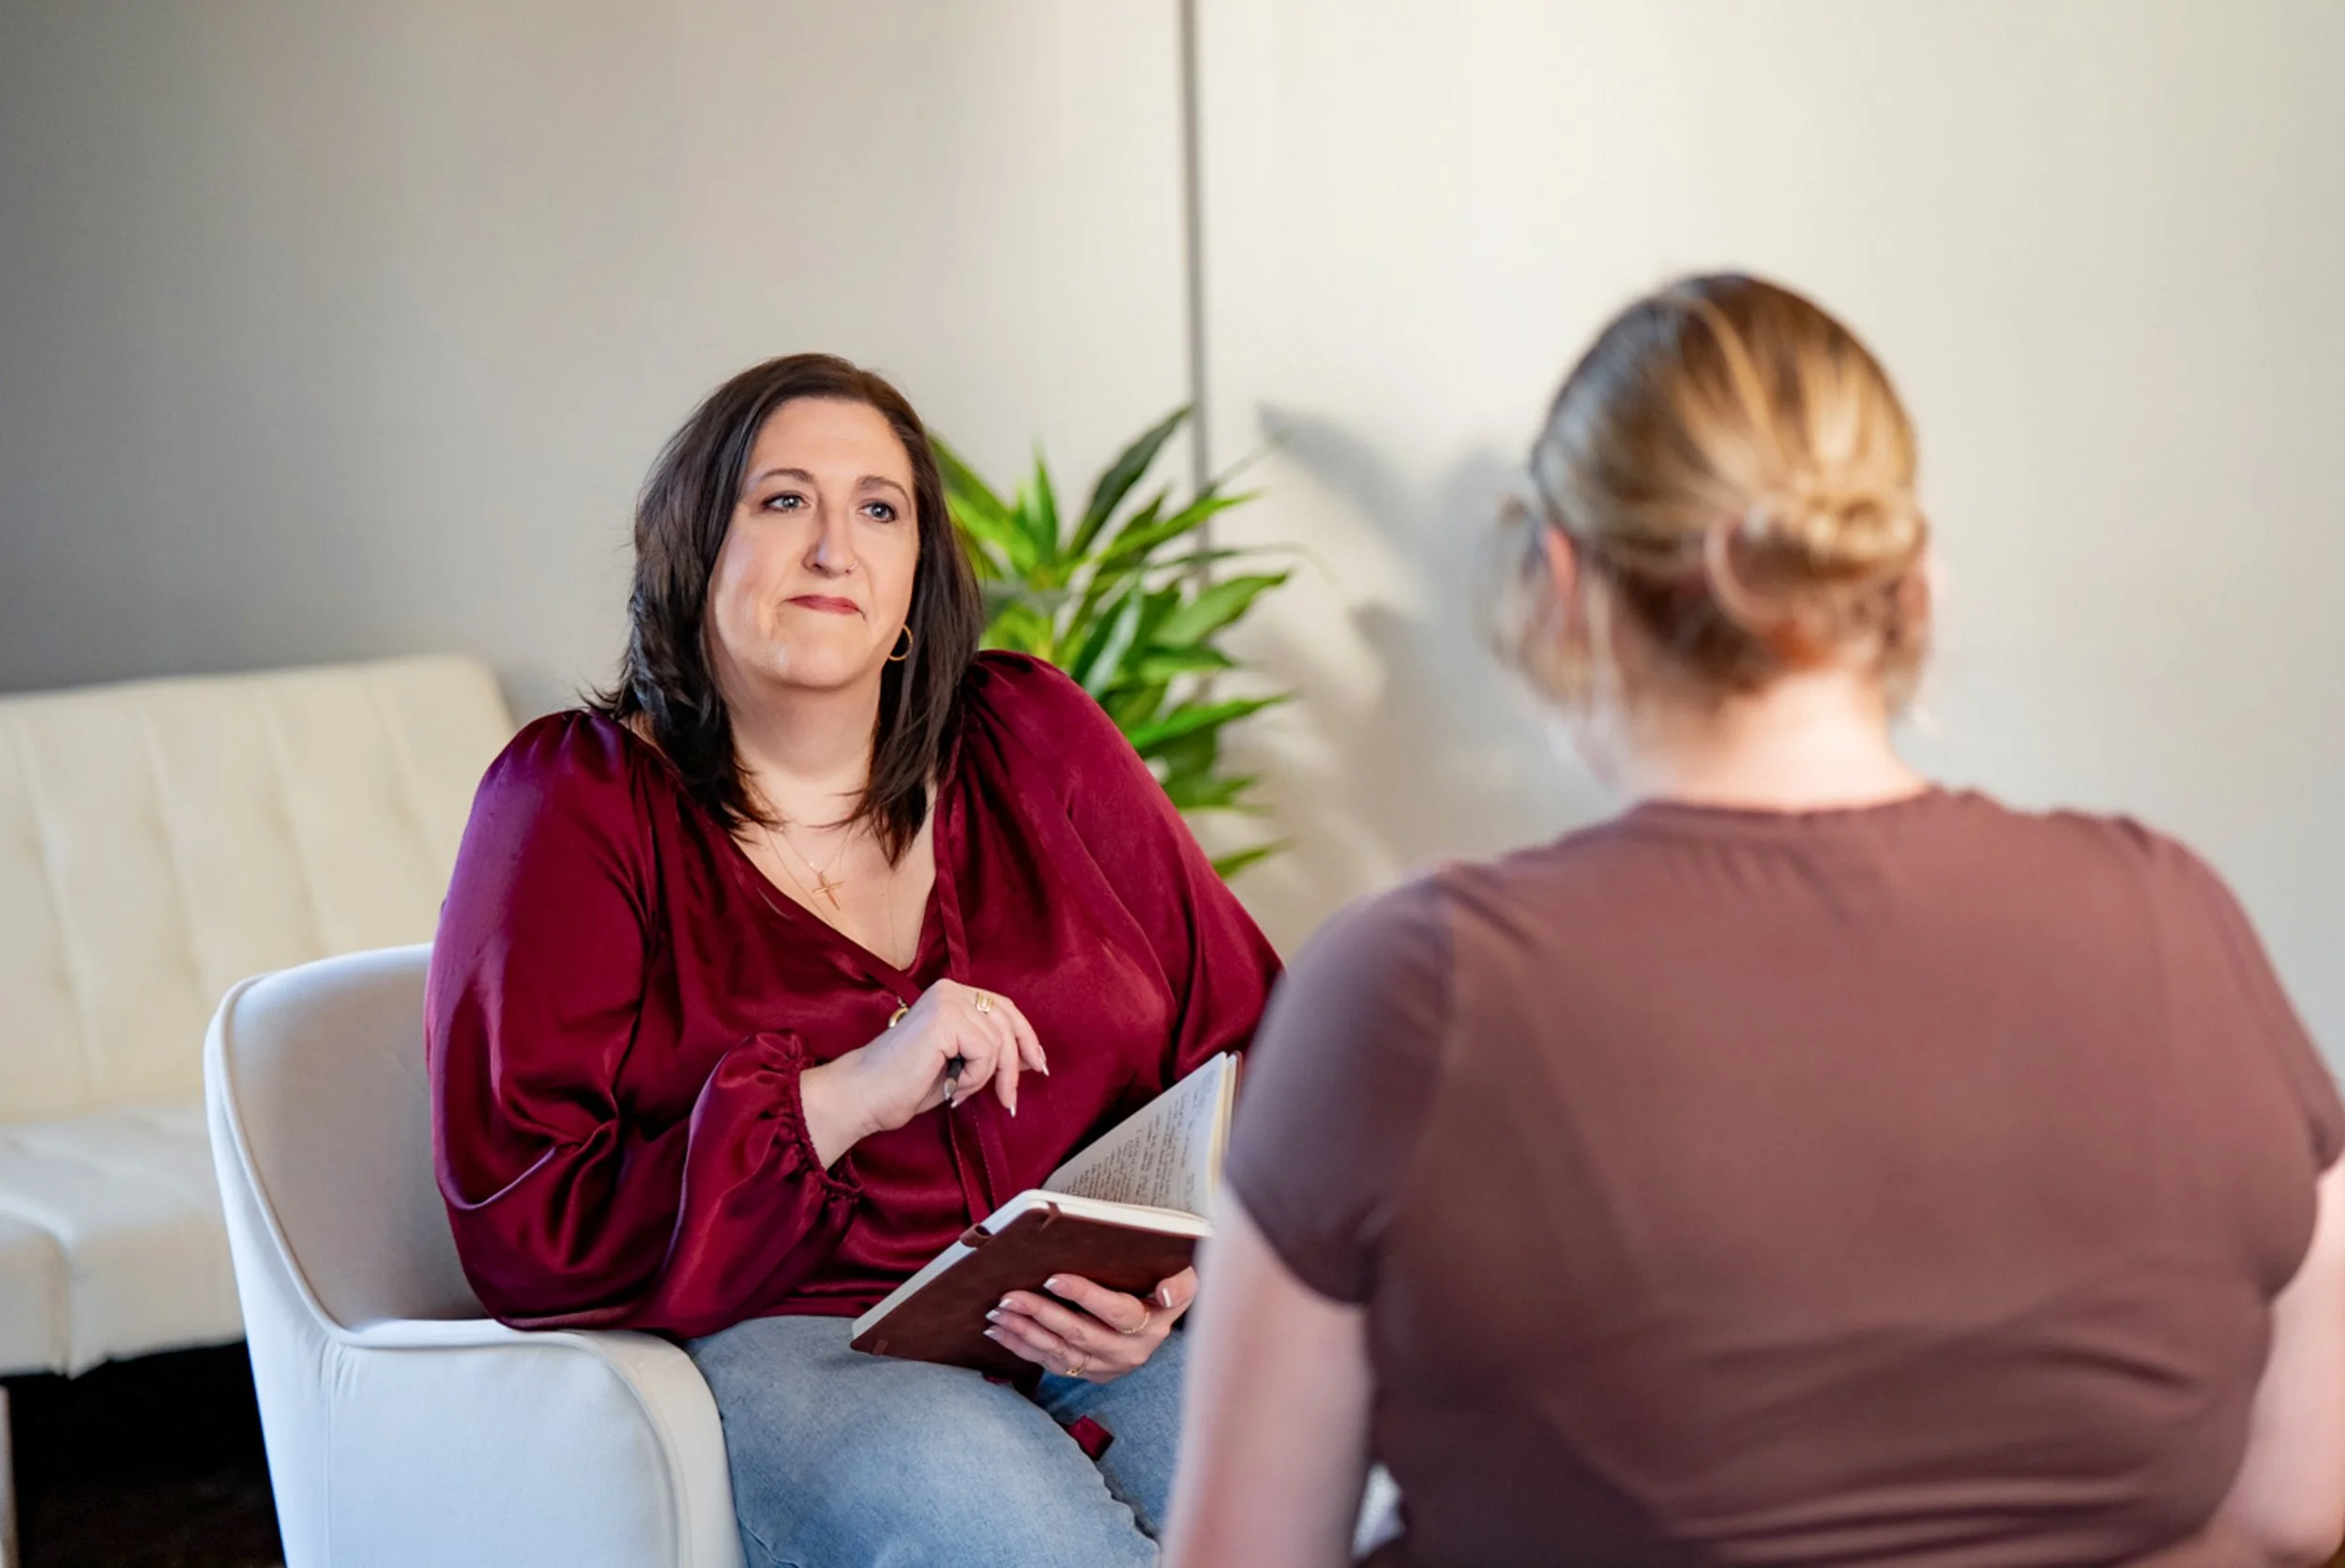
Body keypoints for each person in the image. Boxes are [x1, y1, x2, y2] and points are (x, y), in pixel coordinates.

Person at [1165, 276, 2345, 1568]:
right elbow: (2297, 1507)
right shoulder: (2171, 915)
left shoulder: (1407, 989)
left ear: (1563, 580)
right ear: (1908, 581)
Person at [427, 354, 1278, 1568]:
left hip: (1102, 1319)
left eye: (879, 509)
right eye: (783, 502)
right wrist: (849, 1093)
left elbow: (1257, 1035)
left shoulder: (1034, 738)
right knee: (1028, 1546)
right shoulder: (575, 801)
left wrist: (1176, 1274)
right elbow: (525, 1218)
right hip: (807, 1334)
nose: (836, 548)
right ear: (693, 546)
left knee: (1318, 1499)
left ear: (917, 574)